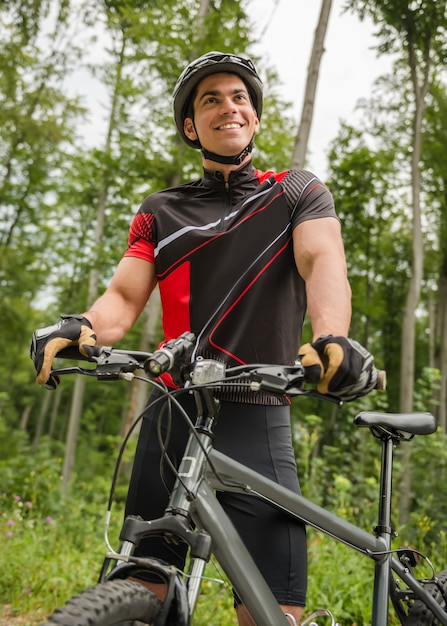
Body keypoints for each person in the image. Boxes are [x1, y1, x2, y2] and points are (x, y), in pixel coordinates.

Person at [31, 51, 377, 625]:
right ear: (191, 126)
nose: (228, 107)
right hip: (173, 413)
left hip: (257, 408)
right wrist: (83, 327)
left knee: (273, 610)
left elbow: (322, 263)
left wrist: (332, 337)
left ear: (256, 118)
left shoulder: (296, 192)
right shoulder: (161, 211)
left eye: (239, 97)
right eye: (210, 99)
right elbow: (122, 297)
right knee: (145, 583)